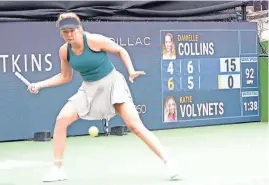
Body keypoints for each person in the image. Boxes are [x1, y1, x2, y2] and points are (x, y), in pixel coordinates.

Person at [28, 12, 180, 182]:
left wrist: (131, 71)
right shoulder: (64, 51)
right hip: (88, 89)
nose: (69, 35)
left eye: (72, 30)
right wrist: (40, 84)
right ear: (61, 33)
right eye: (65, 32)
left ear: (80, 28)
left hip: (113, 85)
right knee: (61, 120)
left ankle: (168, 162)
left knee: (135, 126)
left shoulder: (93, 40)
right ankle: (57, 169)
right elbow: (65, 77)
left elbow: (120, 50)